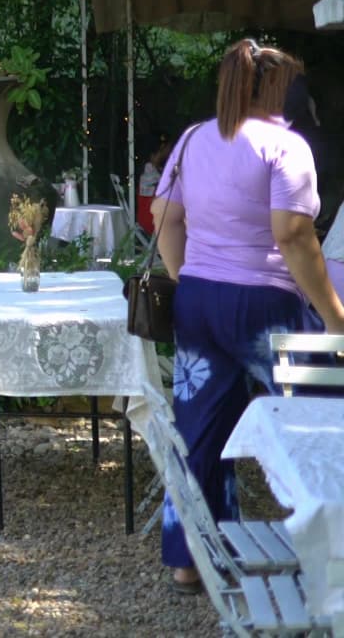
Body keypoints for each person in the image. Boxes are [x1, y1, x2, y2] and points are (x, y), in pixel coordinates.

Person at [152, 39, 344, 595]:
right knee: (325, 418)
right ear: (282, 88)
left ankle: (187, 562)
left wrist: (191, 276)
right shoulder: (286, 147)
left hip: (199, 302)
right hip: (266, 309)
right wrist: (335, 319)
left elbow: (164, 216)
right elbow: (293, 235)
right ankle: (327, 550)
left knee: (199, 430)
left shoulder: (192, 139)